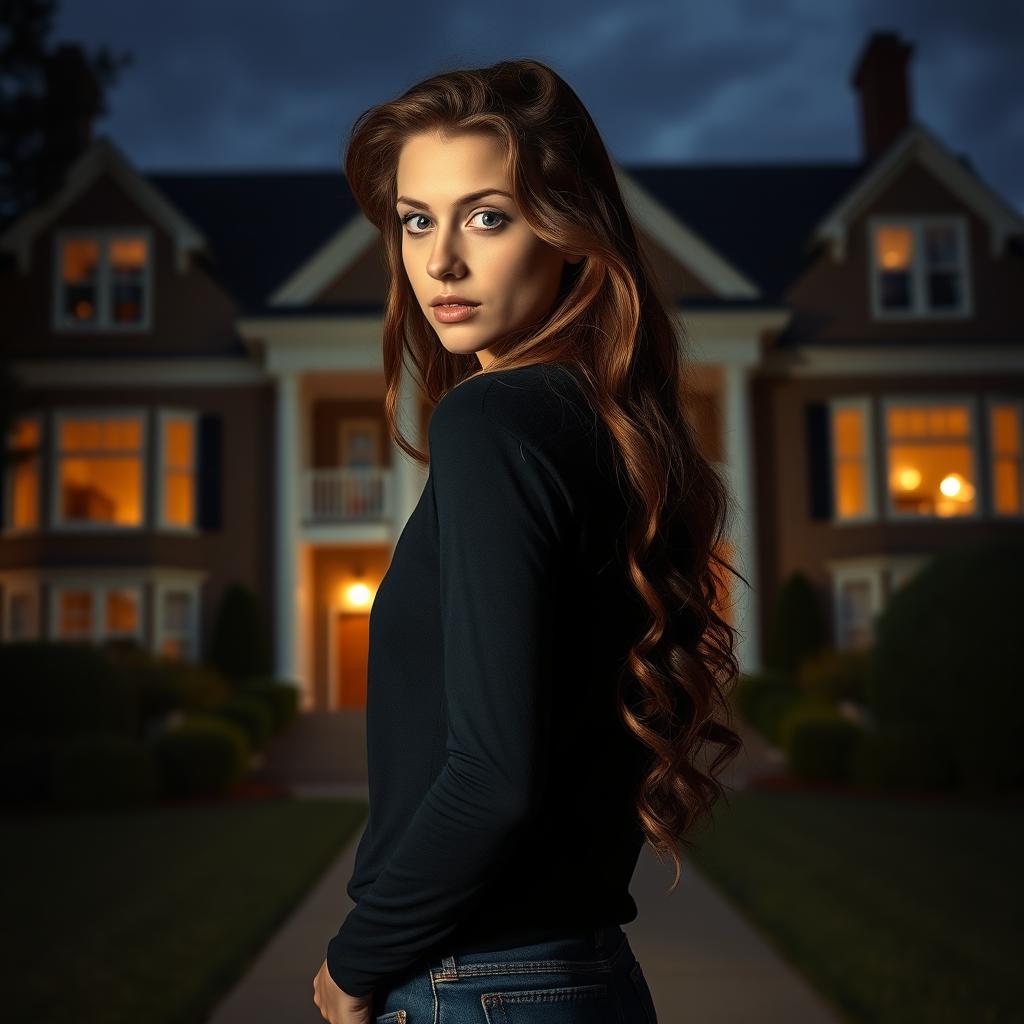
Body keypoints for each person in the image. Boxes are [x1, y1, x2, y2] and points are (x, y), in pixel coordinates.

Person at [313, 57, 745, 1024]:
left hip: (475, 983)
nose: (442, 262)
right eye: (417, 220)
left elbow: (494, 773)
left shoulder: (494, 422)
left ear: (571, 235)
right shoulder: (593, 423)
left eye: (489, 216)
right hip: (579, 977)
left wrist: (355, 961)